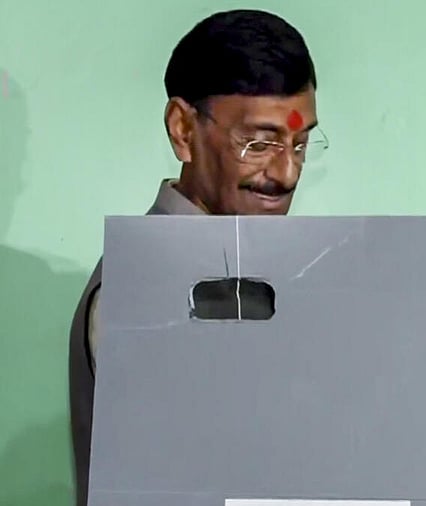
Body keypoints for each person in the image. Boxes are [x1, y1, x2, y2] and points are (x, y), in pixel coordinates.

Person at [68, 9, 327, 506]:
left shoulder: (258, 278)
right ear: (183, 130)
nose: (287, 172)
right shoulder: (145, 289)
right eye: (259, 141)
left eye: (301, 142)